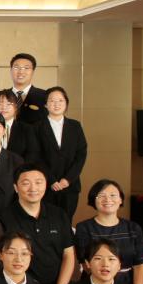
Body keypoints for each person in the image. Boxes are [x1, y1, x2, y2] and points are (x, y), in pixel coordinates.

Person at [0, 163, 76, 284]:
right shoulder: (4, 218)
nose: (33, 188)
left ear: (46, 185)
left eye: (38, 182)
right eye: (26, 183)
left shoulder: (59, 214)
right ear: (16, 187)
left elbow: (68, 255)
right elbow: (4, 260)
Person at [36, 86, 87, 221]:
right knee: (46, 221)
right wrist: (51, 180)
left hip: (70, 186)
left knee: (66, 221)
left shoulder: (75, 126)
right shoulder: (37, 127)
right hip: (46, 185)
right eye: (52, 101)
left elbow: (81, 155)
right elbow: (36, 156)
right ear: (46, 104)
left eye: (60, 100)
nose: (56, 104)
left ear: (66, 103)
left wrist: (67, 179)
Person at [0, 89, 39, 162]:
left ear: (16, 107)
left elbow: (32, 154)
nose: (4, 107)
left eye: (8, 104)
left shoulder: (27, 129)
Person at [9, 53, 48, 125]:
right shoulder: (0, 96)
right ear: (11, 70)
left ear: (33, 71)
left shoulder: (45, 96)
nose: (21, 72)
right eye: (16, 68)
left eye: (26, 68)